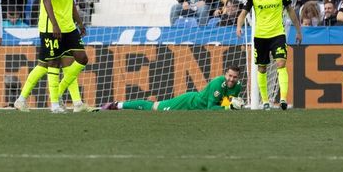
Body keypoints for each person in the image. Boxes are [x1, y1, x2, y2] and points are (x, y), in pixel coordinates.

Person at [16, 0, 89, 112]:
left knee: (81, 58)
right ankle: (55, 104)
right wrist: (55, 25)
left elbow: (69, 2)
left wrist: (79, 22)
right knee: (52, 63)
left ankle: (60, 96)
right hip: (51, 27)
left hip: (68, 27)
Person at [235, 0, 303, 110]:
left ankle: (283, 99)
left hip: (278, 34)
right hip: (260, 36)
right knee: (262, 68)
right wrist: (239, 26)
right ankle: (265, 101)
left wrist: (298, 30)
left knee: (281, 63)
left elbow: (291, 11)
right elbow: (243, 13)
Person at [99, 64, 245, 111]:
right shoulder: (218, 83)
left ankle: (117, 104)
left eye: (234, 77)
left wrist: (231, 103)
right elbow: (210, 107)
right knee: (154, 107)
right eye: (229, 76)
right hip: (188, 103)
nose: (231, 79)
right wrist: (230, 107)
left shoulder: (237, 86)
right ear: (225, 74)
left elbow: (225, 100)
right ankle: (117, 105)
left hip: (194, 106)